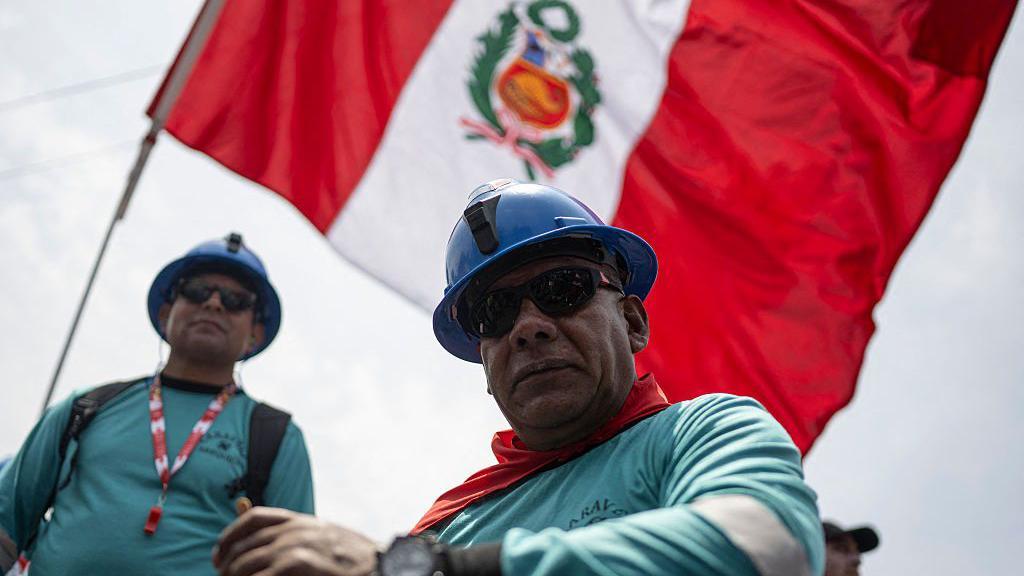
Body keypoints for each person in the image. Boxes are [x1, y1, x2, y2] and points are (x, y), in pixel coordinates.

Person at [213, 180, 824, 576]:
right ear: (484, 361)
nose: (528, 327)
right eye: (495, 312)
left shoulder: (703, 432)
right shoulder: (450, 526)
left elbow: (765, 547)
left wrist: (431, 568)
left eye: (562, 288)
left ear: (633, 322)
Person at [0, 233, 314, 575]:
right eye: (196, 291)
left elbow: (295, 566)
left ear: (255, 333)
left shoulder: (278, 437)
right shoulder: (85, 408)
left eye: (236, 300)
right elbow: (5, 525)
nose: (213, 304)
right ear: (166, 313)